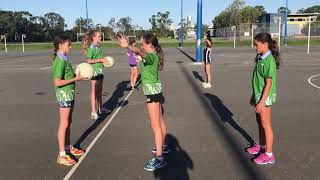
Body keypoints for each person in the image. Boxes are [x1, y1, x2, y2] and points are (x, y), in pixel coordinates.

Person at [118, 33, 168, 171]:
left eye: (143, 43)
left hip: (152, 92)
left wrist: (128, 46)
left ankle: (159, 158)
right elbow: (140, 55)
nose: (141, 45)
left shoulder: (151, 56)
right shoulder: (153, 56)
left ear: (150, 45)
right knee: (160, 121)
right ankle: (162, 146)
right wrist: (135, 54)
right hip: (155, 91)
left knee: (155, 125)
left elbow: (140, 52)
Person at [247, 32, 280, 165]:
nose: (255, 47)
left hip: (264, 98)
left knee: (266, 125)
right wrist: (254, 96)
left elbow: (269, 83)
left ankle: (269, 154)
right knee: (260, 123)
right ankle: (261, 147)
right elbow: (258, 80)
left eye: (256, 45)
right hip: (259, 95)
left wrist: (261, 102)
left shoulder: (269, 60)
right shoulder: (261, 57)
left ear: (265, 44)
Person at [52, 35, 85, 166]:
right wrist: (75, 79)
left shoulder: (64, 58)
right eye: (68, 44)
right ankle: (61, 154)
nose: (70, 46)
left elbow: (67, 75)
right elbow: (58, 82)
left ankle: (67, 147)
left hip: (69, 94)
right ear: (60, 45)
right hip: (64, 95)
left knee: (68, 122)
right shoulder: (59, 60)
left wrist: (76, 74)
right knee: (63, 124)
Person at [82, 30, 109, 120]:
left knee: (100, 90)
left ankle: (101, 108)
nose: (100, 37)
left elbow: (100, 59)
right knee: (94, 90)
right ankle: (93, 111)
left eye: (101, 36)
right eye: (99, 36)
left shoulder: (98, 47)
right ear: (93, 37)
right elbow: (89, 60)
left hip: (100, 70)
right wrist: (101, 60)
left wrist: (105, 62)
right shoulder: (91, 48)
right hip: (94, 71)